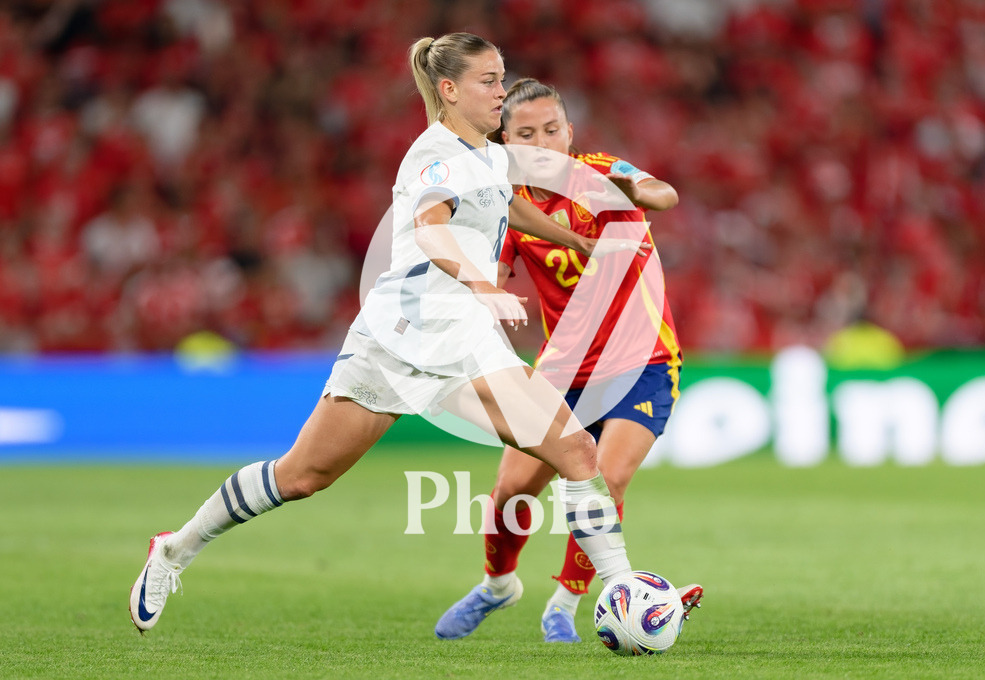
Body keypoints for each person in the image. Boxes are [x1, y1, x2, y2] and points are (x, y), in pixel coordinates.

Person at [129, 33, 655, 635]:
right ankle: (175, 548)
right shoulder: (434, 156)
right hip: (400, 336)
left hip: (467, 339)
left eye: (501, 77)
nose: (501, 90)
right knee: (301, 477)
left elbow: (508, 206)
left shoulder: (487, 151)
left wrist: (577, 240)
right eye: (489, 80)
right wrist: (483, 284)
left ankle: (620, 589)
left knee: (576, 452)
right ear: (449, 89)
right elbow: (432, 230)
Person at [434, 78, 702, 644]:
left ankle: (565, 603)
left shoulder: (601, 172)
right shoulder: (507, 205)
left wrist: (642, 190)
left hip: (642, 362)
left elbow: (663, 195)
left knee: (604, 481)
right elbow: (492, 274)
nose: (542, 143)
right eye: (527, 134)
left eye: (552, 130)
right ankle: (498, 584)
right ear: (505, 140)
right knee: (510, 495)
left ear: (570, 133)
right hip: (563, 372)